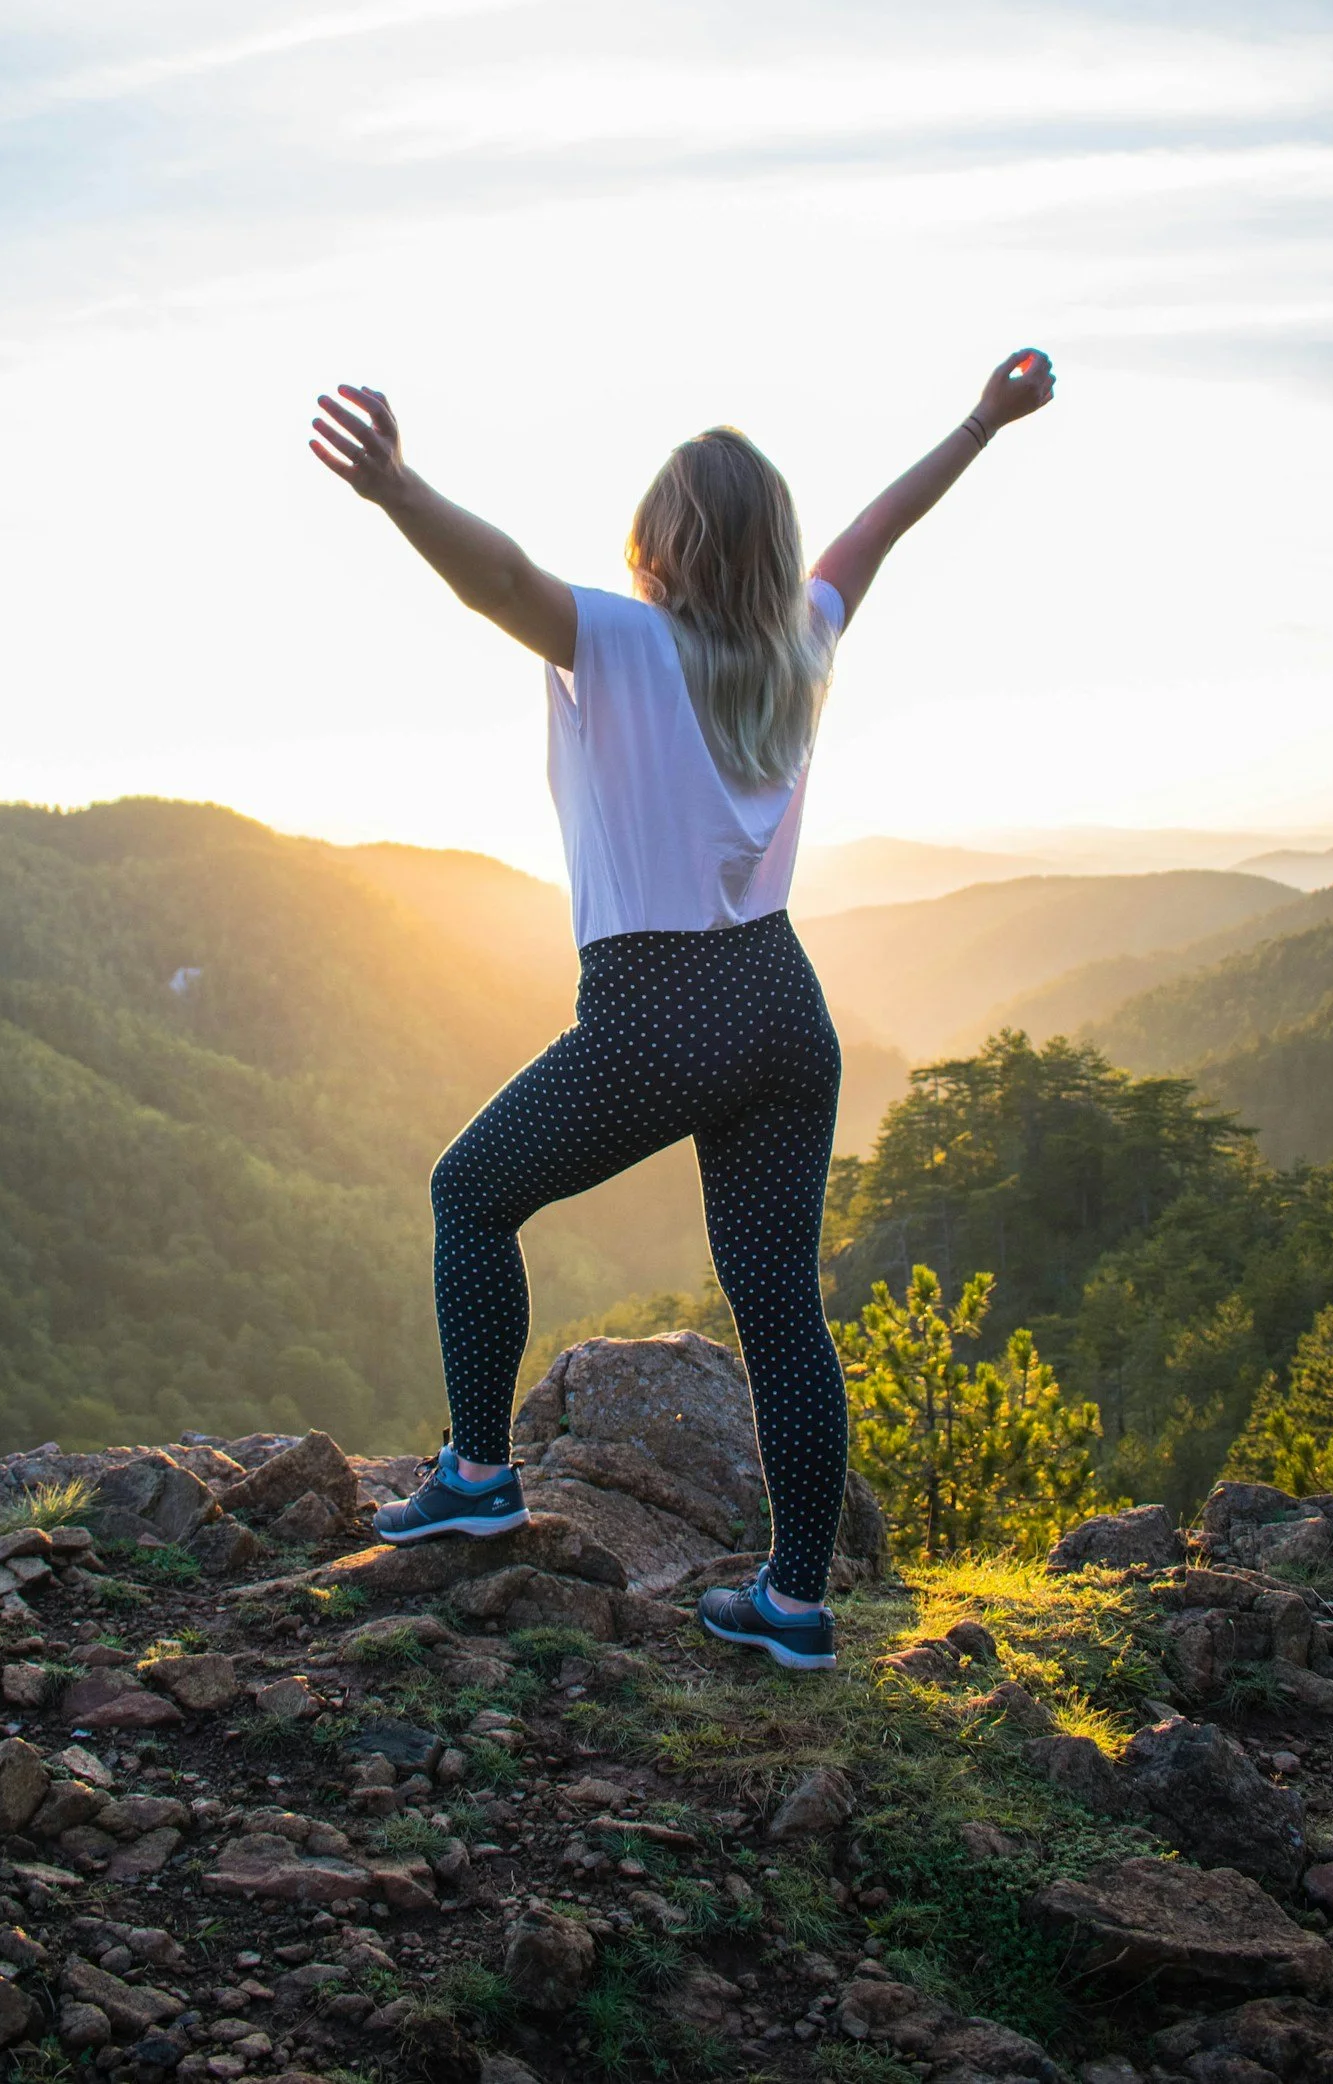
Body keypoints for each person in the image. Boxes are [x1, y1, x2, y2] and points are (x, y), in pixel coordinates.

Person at [309, 346, 1056, 1668]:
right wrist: (981, 421)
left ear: (659, 538)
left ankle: (477, 1476)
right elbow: (879, 524)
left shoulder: (624, 638)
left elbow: (500, 580)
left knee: (469, 1196)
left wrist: (397, 489)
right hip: (782, 1005)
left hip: (661, 1008)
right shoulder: (801, 638)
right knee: (779, 1310)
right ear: (767, 547)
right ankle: (795, 1604)